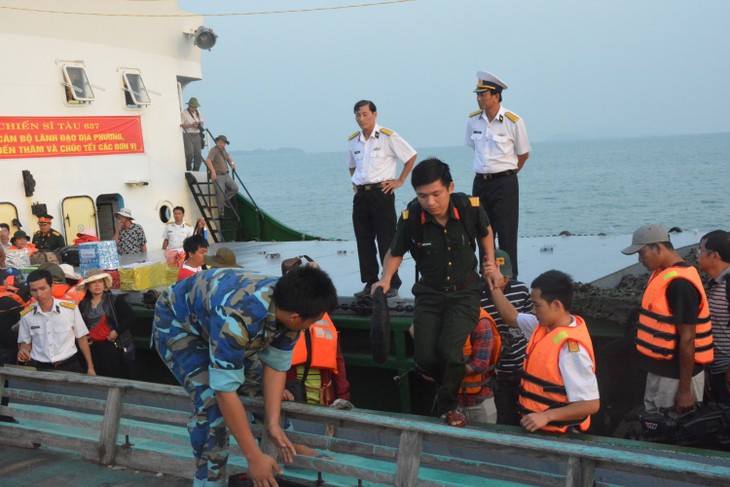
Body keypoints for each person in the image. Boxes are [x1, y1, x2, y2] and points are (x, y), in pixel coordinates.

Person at [152, 265, 338, 487]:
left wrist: (272, 424)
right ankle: (209, 481)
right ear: (296, 317)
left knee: (265, 392)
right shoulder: (238, 318)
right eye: (314, 321)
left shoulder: (290, 307)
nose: (313, 325)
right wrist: (253, 457)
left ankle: (286, 446)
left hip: (219, 323)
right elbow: (224, 391)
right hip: (179, 323)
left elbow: (276, 367)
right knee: (211, 405)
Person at [373, 158, 497, 427]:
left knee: (451, 351)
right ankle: (448, 388)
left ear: (450, 187)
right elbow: (395, 252)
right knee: (426, 357)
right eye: (422, 195)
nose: (430, 202)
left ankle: (448, 406)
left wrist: (490, 263)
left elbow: (486, 233)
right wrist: (385, 279)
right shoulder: (411, 218)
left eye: (436, 194)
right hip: (429, 293)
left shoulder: (469, 208)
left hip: (465, 292)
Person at [488, 269, 600, 433]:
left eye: (537, 305)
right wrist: (494, 286)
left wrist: (547, 416)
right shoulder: (541, 326)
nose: (533, 311)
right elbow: (510, 317)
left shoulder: (571, 350)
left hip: (560, 433)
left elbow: (590, 404)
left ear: (556, 305)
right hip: (536, 427)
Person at [622, 224, 713, 413]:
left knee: (676, 429)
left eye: (642, 253)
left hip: (676, 378)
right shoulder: (662, 276)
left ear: (659, 247)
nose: (640, 260)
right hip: (659, 372)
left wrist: (685, 390)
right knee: (654, 424)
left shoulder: (680, 284)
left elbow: (688, 339)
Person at [347, 100, 417, 298]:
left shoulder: (387, 136)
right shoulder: (353, 141)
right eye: (357, 115)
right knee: (364, 240)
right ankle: (369, 282)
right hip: (361, 195)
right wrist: (354, 181)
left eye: (365, 114)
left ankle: (392, 281)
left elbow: (410, 156)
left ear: (374, 114)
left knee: (386, 239)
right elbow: (351, 164)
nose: (361, 119)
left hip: (382, 193)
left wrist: (400, 180)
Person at [465, 71, 531, 278]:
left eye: (483, 94)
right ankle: (487, 276)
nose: (479, 98)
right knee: (483, 231)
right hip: (480, 183)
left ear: (496, 96)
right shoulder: (474, 121)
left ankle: (510, 279)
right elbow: (472, 147)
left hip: (505, 183)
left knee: (506, 232)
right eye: (477, 94)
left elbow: (523, 154)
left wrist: (507, 174)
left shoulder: (513, 121)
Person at [481, 249, 531, 425]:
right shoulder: (477, 296)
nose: (503, 280)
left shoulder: (521, 290)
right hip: (495, 372)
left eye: (506, 276)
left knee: (524, 415)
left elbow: (532, 324)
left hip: (521, 368)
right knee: (502, 417)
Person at [17, 270, 96, 375]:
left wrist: (90, 367)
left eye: (42, 288)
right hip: (41, 369)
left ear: (52, 287)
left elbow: (81, 338)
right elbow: (25, 342)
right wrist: (23, 352)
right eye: (34, 290)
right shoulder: (27, 315)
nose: (39, 294)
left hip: (69, 366)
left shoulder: (69, 309)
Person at [285, 312, 351, 407]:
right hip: (291, 399)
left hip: (323, 400)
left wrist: (343, 397)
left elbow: (339, 366)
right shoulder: (283, 319)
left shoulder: (324, 321)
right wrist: (279, 390)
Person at [77, 270, 136, 378]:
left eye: (100, 281)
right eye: (93, 282)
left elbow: (130, 317)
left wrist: (116, 331)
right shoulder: (83, 304)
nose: (97, 285)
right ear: (88, 286)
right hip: (93, 349)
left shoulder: (115, 300)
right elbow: (80, 324)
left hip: (112, 347)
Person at [697, 230, 730, 406]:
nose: (698, 255)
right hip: (716, 369)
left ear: (715, 255)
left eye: (701, 249)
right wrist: (706, 368)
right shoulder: (714, 286)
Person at [0, 293, 25, 423]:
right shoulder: (11, 301)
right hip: (8, 348)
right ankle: (3, 414)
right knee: (4, 380)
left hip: (6, 348)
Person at [204, 135, 238, 217]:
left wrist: (232, 163)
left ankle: (223, 201)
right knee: (220, 194)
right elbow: (208, 161)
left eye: (223, 143)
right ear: (216, 142)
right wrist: (213, 172)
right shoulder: (214, 150)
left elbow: (228, 156)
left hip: (226, 174)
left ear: (225, 144)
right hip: (218, 176)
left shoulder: (223, 150)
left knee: (235, 188)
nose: (221, 144)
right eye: (219, 142)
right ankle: (221, 213)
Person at [182, 97, 205, 171]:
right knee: (189, 153)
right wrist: (191, 125)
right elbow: (182, 125)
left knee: (198, 154)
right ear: (189, 105)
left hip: (197, 134)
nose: (195, 108)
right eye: (194, 107)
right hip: (188, 134)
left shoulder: (198, 113)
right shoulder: (184, 113)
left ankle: (196, 170)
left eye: (196, 107)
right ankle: (188, 168)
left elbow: (202, 123)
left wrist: (198, 124)